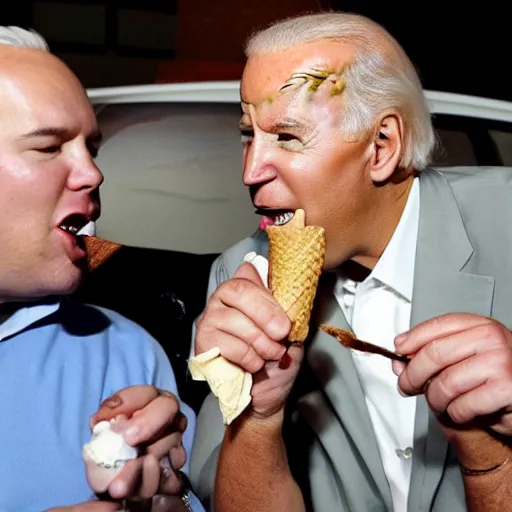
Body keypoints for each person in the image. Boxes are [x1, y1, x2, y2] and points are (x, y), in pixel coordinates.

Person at [189, 11, 512, 512]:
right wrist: (257, 417)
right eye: (248, 135)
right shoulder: (242, 275)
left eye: (288, 137)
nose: (250, 170)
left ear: (381, 146)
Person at [0, 27, 204, 512]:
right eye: (50, 147)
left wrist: (165, 502)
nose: (93, 173)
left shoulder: (125, 355)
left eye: (91, 147)